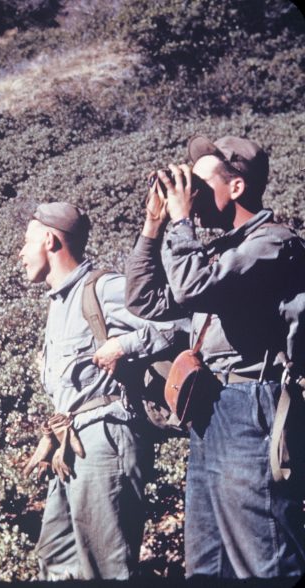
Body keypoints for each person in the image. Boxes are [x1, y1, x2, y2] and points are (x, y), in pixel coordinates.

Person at [124, 135, 305, 578]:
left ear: (237, 187)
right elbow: (144, 299)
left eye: (201, 184)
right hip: (213, 406)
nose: (192, 194)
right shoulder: (219, 253)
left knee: (262, 557)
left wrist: (182, 220)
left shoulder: (272, 245)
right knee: (208, 562)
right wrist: (154, 226)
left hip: (252, 408)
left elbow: (191, 288)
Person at [18, 202, 178, 580]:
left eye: (26, 242)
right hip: (74, 440)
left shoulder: (103, 288)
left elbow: (178, 323)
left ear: (50, 241)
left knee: (108, 567)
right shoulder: (59, 301)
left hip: (107, 438)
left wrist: (124, 345)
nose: (20, 253)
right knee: (56, 556)